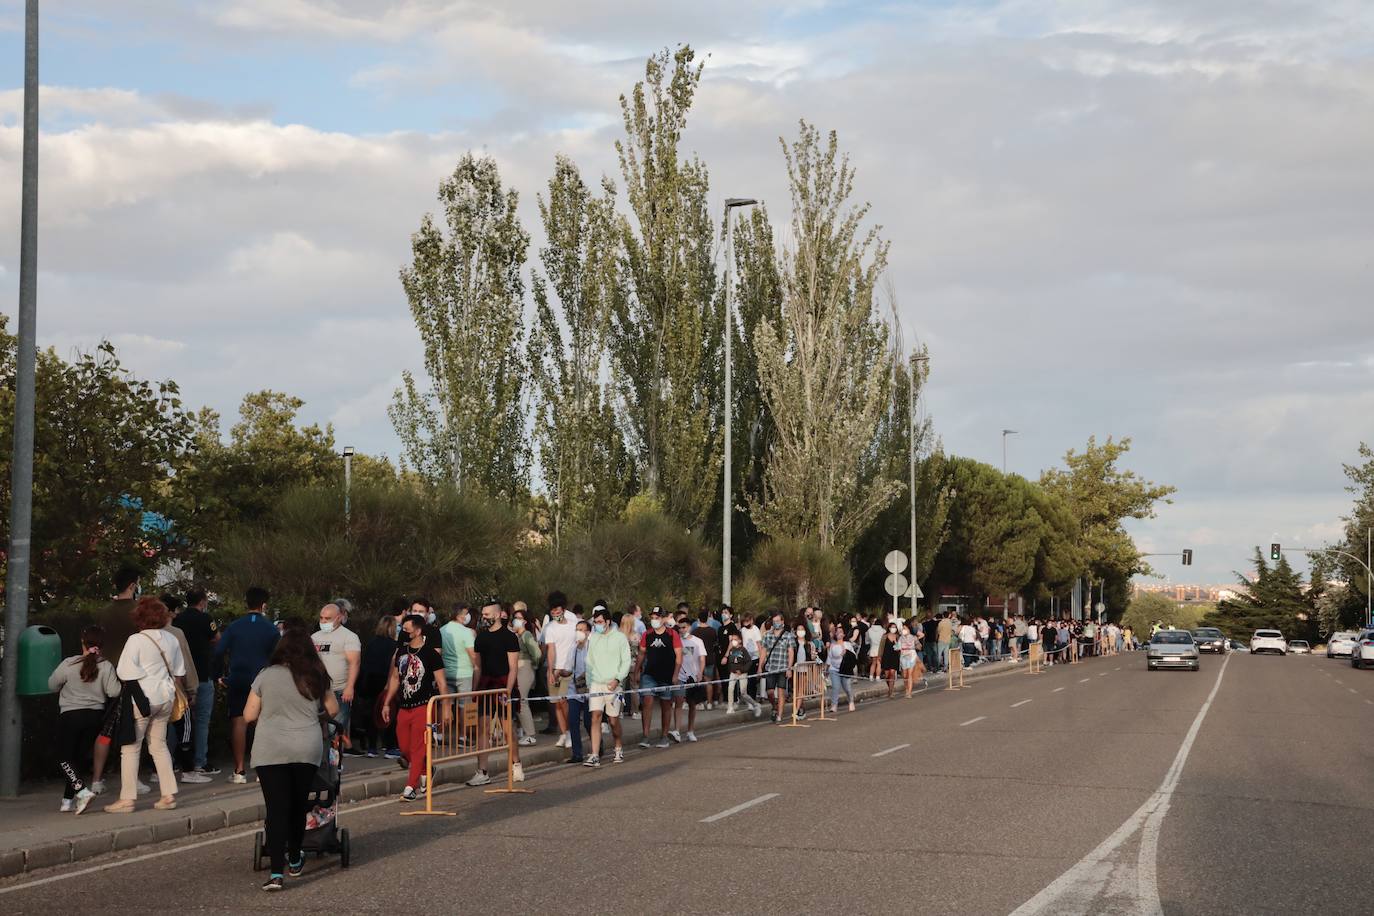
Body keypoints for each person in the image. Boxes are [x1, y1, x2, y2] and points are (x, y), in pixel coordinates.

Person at [243, 627, 339, 891]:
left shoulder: (265, 675)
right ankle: (295, 857)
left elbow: (249, 715)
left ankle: (276, 873)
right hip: (305, 747)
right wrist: (313, 718)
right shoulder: (316, 674)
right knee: (298, 806)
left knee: (276, 809)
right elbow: (332, 709)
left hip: (270, 748)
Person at [105, 597, 185, 813]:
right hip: (166, 697)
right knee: (159, 746)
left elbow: (123, 671)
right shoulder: (171, 640)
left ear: (139, 618)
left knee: (130, 748)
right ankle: (168, 795)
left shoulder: (136, 640)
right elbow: (179, 671)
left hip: (142, 699)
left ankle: (127, 799)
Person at [213, 587, 280, 784]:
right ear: (264, 605)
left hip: (238, 679)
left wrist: (220, 675)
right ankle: (262, 770)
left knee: (238, 722)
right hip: (263, 679)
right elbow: (277, 656)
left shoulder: (234, 627)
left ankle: (239, 770)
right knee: (262, 723)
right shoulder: (271, 629)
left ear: (246, 603)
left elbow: (218, 652)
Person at [49, 625, 119, 813]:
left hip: (70, 716)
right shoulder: (106, 665)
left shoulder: (70, 663)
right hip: (94, 717)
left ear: (82, 642)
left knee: (63, 758)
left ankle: (81, 791)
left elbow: (52, 684)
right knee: (76, 759)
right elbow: (114, 691)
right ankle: (67, 801)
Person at [380, 614, 448, 801]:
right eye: (403, 628)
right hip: (404, 707)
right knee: (405, 749)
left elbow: (442, 682)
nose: (404, 632)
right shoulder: (401, 653)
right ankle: (427, 769)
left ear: (418, 631)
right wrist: (387, 702)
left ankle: (411, 786)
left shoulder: (430, 654)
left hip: (423, 706)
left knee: (418, 748)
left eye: (407, 629)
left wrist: (446, 707)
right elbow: (395, 678)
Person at [469, 600, 523, 786]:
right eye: (483, 614)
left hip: (503, 684)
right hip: (486, 685)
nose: (484, 617)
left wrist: (507, 691)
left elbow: (513, 668)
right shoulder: (481, 638)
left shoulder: (509, 637)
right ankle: (482, 771)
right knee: (483, 728)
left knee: (508, 729)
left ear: (499, 614)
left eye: (487, 614)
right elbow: (477, 667)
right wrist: (473, 690)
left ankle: (516, 764)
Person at [176, 589, 220, 782]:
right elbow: (217, 638)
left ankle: (174, 761)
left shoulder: (177, 620)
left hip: (180, 676)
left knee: (176, 720)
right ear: (202, 602)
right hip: (202, 674)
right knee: (202, 721)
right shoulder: (205, 619)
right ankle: (199, 762)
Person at [584, 606, 629, 767]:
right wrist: (589, 684)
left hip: (613, 685)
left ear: (608, 621)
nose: (597, 625)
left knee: (613, 720)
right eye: (595, 622)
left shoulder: (620, 638)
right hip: (596, 683)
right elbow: (589, 662)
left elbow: (626, 662)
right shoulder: (593, 638)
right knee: (595, 716)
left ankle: (618, 746)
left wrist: (617, 679)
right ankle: (594, 754)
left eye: (600, 622)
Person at [311, 603, 361, 739]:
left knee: (335, 731)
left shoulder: (349, 637)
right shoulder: (314, 637)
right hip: (318, 691)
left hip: (339, 691)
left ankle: (333, 759)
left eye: (327, 618)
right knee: (317, 732)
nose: (323, 621)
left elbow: (354, 663)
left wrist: (349, 687)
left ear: (339, 618)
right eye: (321, 618)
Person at [637, 608, 682, 748]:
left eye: (657, 617)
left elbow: (679, 656)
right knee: (647, 701)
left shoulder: (672, 634)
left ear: (663, 619)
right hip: (650, 675)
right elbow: (642, 654)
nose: (654, 620)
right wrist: (636, 671)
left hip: (667, 675)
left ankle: (664, 736)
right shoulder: (647, 634)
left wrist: (675, 674)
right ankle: (645, 736)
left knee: (665, 705)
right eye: (653, 617)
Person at [354, 614, 396, 758]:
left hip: (369, 681)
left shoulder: (372, 642)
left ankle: (372, 747)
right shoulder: (393, 645)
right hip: (385, 681)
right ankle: (390, 745)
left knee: (371, 714)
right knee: (388, 712)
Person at [540, 593, 578, 750]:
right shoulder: (549, 628)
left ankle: (570, 732)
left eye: (557, 611)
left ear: (563, 609)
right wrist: (550, 670)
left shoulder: (573, 624)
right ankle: (564, 733)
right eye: (552, 612)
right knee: (556, 703)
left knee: (564, 702)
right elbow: (551, 650)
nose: (555, 614)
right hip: (555, 669)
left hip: (569, 670)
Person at [439, 604, 478, 749]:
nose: (468, 616)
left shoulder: (442, 630)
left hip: (445, 673)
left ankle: (440, 735)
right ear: (460, 615)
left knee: (445, 703)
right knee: (464, 706)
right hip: (464, 673)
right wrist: (478, 668)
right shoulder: (466, 632)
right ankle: (463, 737)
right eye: (466, 613)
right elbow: (472, 654)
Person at [96, 565, 142, 666]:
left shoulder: (103, 612)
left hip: (107, 666)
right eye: (138, 584)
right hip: (133, 667)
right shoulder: (141, 610)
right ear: (132, 586)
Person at [561, 620, 593, 763]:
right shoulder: (572, 648)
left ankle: (597, 746)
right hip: (574, 690)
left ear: (588, 632)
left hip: (589, 690)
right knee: (573, 721)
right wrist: (560, 673)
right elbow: (568, 669)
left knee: (588, 722)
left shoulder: (592, 647)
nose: (578, 632)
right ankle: (577, 753)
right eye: (577, 629)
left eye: (581, 629)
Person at [509, 608, 541, 745]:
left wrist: (533, 665)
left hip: (525, 667)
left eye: (519, 617)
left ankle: (530, 735)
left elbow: (537, 653)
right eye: (515, 617)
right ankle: (524, 732)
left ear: (525, 621)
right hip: (518, 668)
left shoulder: (526, 635)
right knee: (519, 701)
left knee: (522, 701)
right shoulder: (517, 636)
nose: (516, 619)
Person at [759, 612, 796, 722]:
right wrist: (760, 667)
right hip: (770, 667)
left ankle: (779, 715)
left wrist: (789, 668)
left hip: (782, 667)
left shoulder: (788, 635)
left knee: (781, 692)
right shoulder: (768, 635)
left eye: (778, 621)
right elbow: (763, 651)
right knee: (770, 692)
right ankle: (774, 705)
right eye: (774, 621)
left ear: (782, 622)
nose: (776, 623)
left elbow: (791, 653)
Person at [675, 618, 707, 742]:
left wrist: (700, 673)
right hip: (680, 677)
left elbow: (702, 659)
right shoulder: (677, 642)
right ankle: (677, 731)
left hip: (693, 677)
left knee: (692, 705)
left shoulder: (698, 641)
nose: (682, 630)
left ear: (689, 627)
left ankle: (690, 731)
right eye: (680, 628)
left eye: (684, 627)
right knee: (678, 703)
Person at [723, 630, 761, 716]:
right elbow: (730, 662)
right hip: (733, 673)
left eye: (735, 639)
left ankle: (754, 704)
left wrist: (742, 670)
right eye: (732, 639)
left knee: (743, 692)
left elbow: (749, 662)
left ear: (740, 640)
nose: (733, 641)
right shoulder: (731, 650)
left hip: (742, 673)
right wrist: (733, 670)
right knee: (730, 688)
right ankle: (730, 706)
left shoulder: (743, 650)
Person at [826, 628, 859, 713]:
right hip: (834, 669)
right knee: (835, 687)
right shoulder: (832, 645)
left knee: (847, 688)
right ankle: (834, 705)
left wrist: (846, 652)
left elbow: (853, 656)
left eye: (841, 632)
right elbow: (829, 658)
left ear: (844, 634)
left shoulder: (848, 644)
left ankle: (851, 701)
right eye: (837, 632)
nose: (839, 634)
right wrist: (826, 669)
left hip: (845, 669)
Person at [618, 612, 642, 720]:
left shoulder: (618, 635)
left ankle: (619, 711)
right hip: (634, 665)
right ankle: (635, 712)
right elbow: (641, 652)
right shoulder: (636, 636)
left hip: (620, 665)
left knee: (620, 689)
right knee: (634, 689)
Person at [899, 623, 923, 697]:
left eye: (905, 628)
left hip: (911, 656)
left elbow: (919, 646)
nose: (904, 630)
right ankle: (906, 688)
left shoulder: (913, 637)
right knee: (905, 675)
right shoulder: (900, 638)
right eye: (903, 629)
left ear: (909, 630)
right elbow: (898, 647)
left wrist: (917, 646)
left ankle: (909, 692)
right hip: (903, 657)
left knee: (909, 674)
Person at [879, 621, 901, 698]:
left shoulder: (898, 636)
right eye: (892, 627)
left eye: (895, 627)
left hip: (894, 657)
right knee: (887, 675)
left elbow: (899, 648)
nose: (893, 629)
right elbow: (881, 647)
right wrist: (879, 656)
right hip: (886, 656)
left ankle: (891, 692)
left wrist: (896, 643)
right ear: (889, 628)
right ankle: (890, 689)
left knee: (892, 673)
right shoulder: (884, 636)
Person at [865, 615, 884, 680]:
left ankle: (871, 676)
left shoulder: (869, 630)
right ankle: (878, 677)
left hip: (872, 648)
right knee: (879, 663)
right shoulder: (883, 631)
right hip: (880, 649)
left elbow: (867, 640)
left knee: (873, 663)